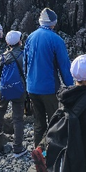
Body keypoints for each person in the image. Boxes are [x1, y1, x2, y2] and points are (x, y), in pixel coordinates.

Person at [24, 8, 74, 149]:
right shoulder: (56, 39)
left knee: (39, 122)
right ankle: (52, 154)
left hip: (32, 87)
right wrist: (70, 86)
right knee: (54, 121)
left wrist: (26, 83)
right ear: (53, 23)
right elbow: (64, 65)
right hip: (49, 88)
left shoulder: (30, 37)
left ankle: (39, 152)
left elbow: (25, 63)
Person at [0, 30, 27, 158]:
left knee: (1, 108)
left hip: (4, 88)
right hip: (19, 89)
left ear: (7, 43)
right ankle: (17, 148)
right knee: (17, 118)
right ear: (19, 41)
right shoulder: (23, 55)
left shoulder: (3, 56)